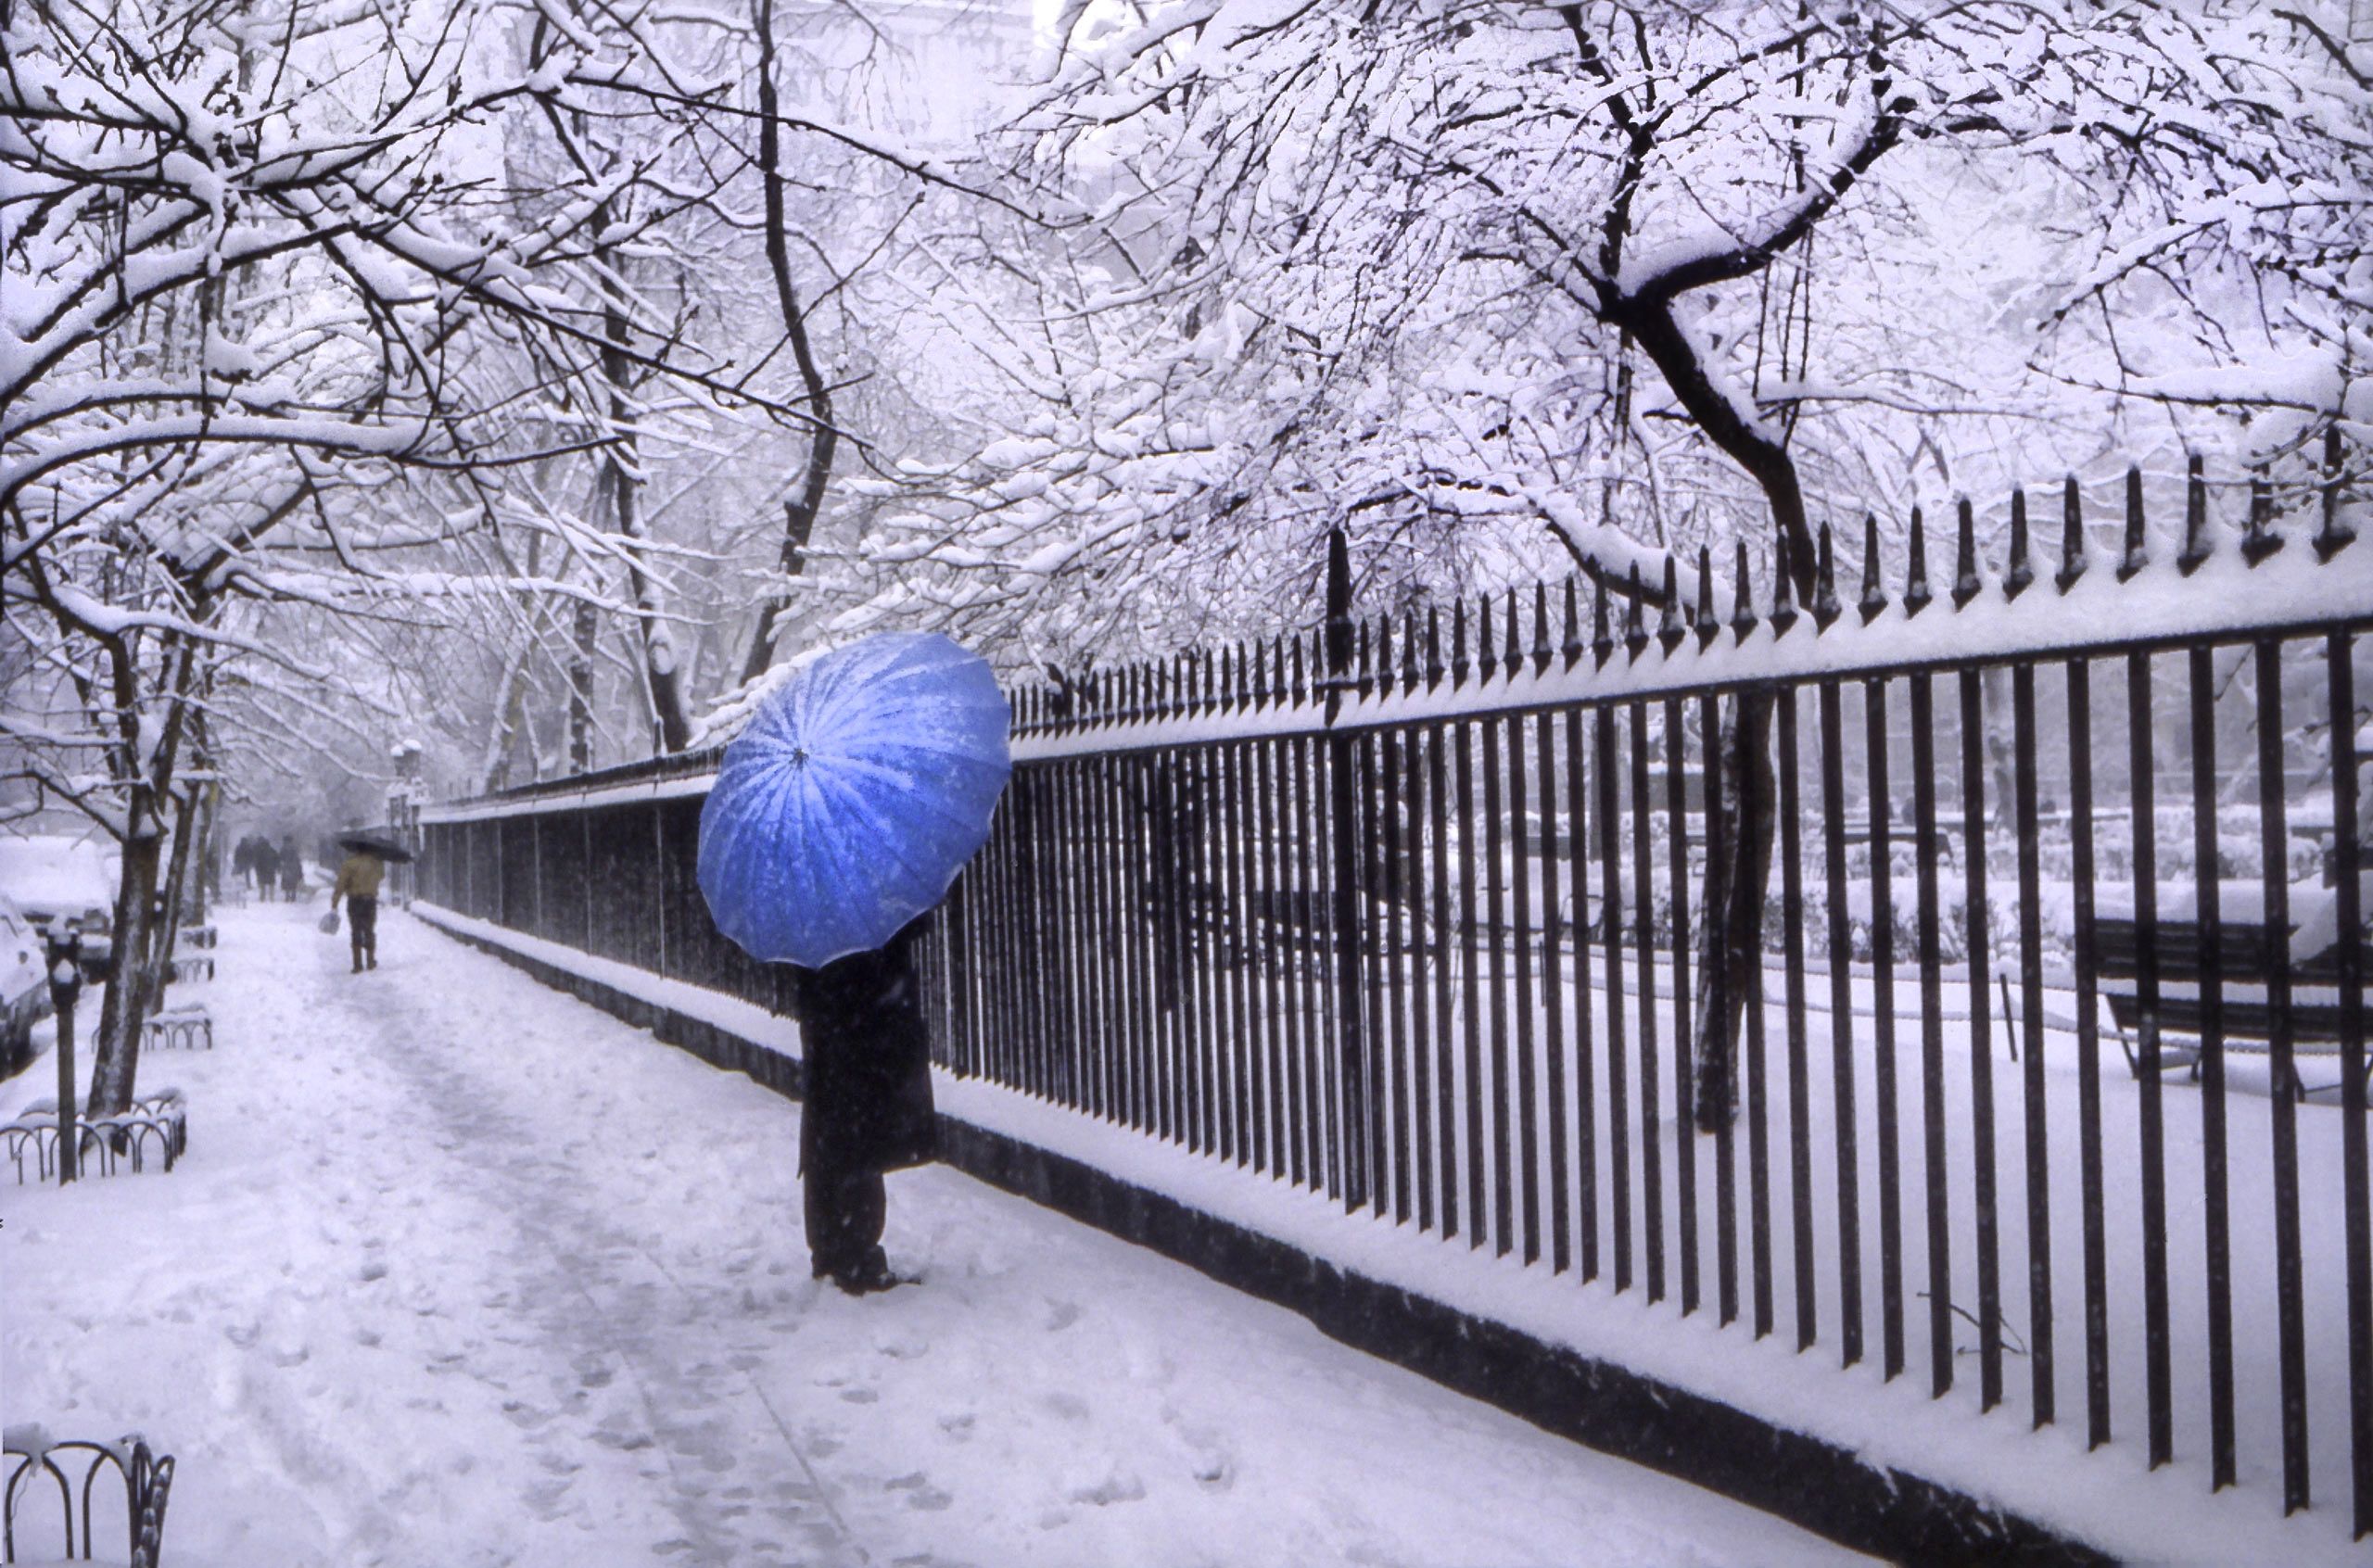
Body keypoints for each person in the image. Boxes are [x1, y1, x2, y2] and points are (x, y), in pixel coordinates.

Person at [788, 915, 936, 1295]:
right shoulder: (866, 888)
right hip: (864, 1009)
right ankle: (856, 1253)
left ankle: (830, 1246)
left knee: (828, 1125)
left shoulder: (806, 890)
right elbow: (904, 925)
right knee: (859, 1131)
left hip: (827, 1010)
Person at [330, 847, 386, 972]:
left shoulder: (350, 864)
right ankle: (370, 961)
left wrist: (335, 903)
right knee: (369, 929)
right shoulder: (376, 863)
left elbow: (340, 884)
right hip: (370, 901)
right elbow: (382, 876)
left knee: (356, 929)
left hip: (355, 901)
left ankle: (357, 964)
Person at [252, 837, 280, 902]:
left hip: (263, 871)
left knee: (262, 885)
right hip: (271, 870)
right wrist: (276, 867)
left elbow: (257, 862)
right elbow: (277, 860)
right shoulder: (273, 851)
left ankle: (262, 898)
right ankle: (272, 898)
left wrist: (257, 870)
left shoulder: (260, 852)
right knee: (271, 885)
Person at [278, 835, 304, 901]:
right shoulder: (294, 848)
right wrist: (299, 867)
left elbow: (280, 858)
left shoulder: (283, 848)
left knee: (286, 881)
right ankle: (293, 896)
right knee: (293, 882)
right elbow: (297, 858)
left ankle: (287, 896)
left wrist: (280, 866)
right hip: (294, 867)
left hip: (286, 867)